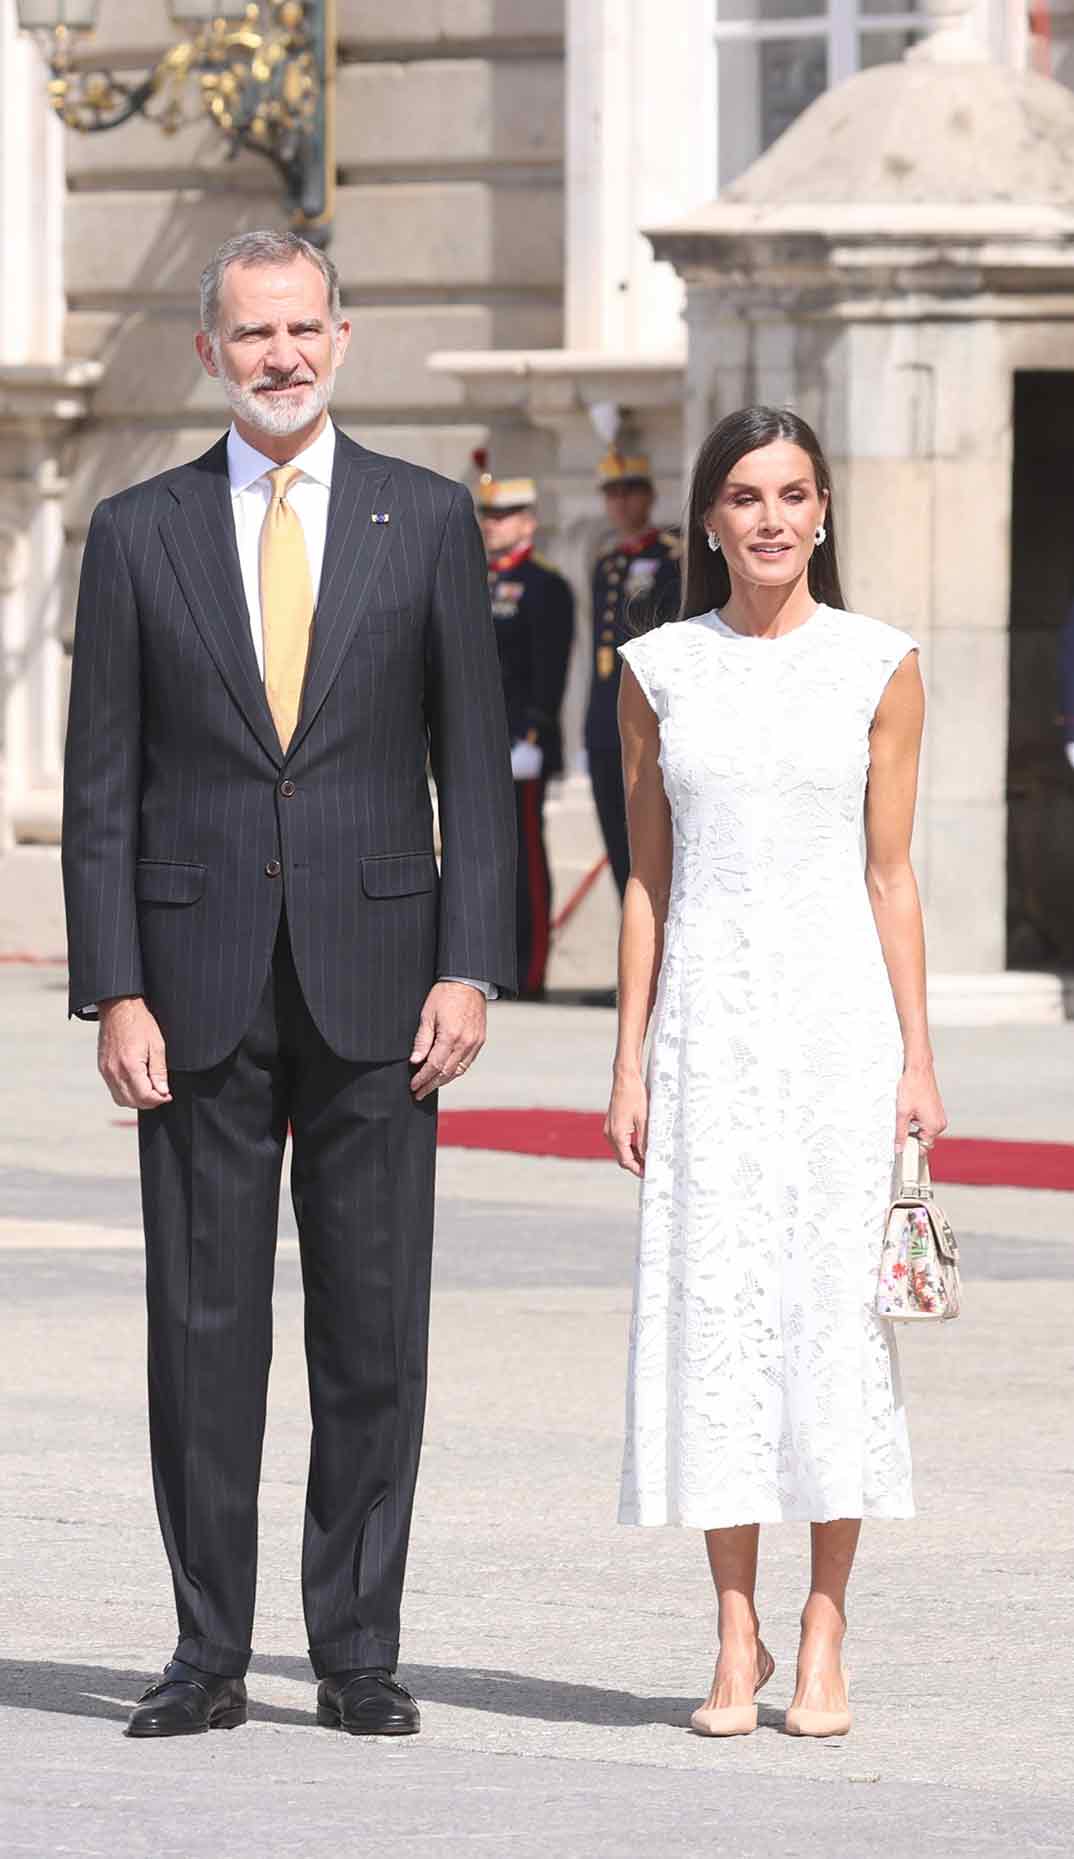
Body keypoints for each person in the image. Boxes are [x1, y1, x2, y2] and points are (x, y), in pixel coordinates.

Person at [61, 229, 516, 1741]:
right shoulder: (137, 531)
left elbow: (473, 765)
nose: (282, 356)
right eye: (253, 333)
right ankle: (206, 1649)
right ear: (210, 351)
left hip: (385, 983)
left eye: (304, 328)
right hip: (190, 991)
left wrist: (469, 960)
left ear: (342, 336)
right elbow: (103, 786)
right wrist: (114, 985)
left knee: (372, 1332)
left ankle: (358, 1649)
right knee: (202, 1333)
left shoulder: (427, 517)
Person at [604, 406, 947, 1740]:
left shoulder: (880, 664)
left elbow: (889, 870)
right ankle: (733, 1628)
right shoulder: (653, 666)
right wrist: (626, 1058)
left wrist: (918, 1056)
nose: (768, 517)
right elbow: (646, 877)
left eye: (791, 493)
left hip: (838, 1030)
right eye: (743, 495)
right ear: (707, 518)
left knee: (825, 1318)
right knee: (718, 1321)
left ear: (820, 515)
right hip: (706, 1029)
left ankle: (822, 1628)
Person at [476, 460, 575, 998]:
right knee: (486, 858)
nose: (493, 524)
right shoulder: (475, 578)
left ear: (529, 522)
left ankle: (528, 968)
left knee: (525, 857)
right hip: (480, 742)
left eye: (506, 514)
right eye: (488, 515)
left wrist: (534, 731)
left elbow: (548, 667)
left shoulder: (543, 585)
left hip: (520, 741)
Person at [584, 447, 680, 899]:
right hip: (606, 720)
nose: (620, 504)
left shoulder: (669, 556)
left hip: (650, 712)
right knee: (617, 843)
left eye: (629, 493)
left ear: (649, 496)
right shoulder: (607, 561)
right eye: (612, 494)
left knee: (654, 846)